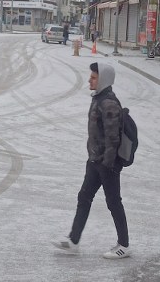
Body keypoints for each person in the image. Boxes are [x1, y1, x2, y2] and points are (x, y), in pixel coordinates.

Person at [52, 62, 130, 259]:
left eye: (94, 77)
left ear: (103, 79)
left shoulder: (108, 103)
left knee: (113, 203)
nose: (89, 79)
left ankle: (124, 245)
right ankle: (73, 241)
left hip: (107, 165)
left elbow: (113, 138)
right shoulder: (99, 98)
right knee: (84, 198)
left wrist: (108, 165)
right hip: (95, 161)